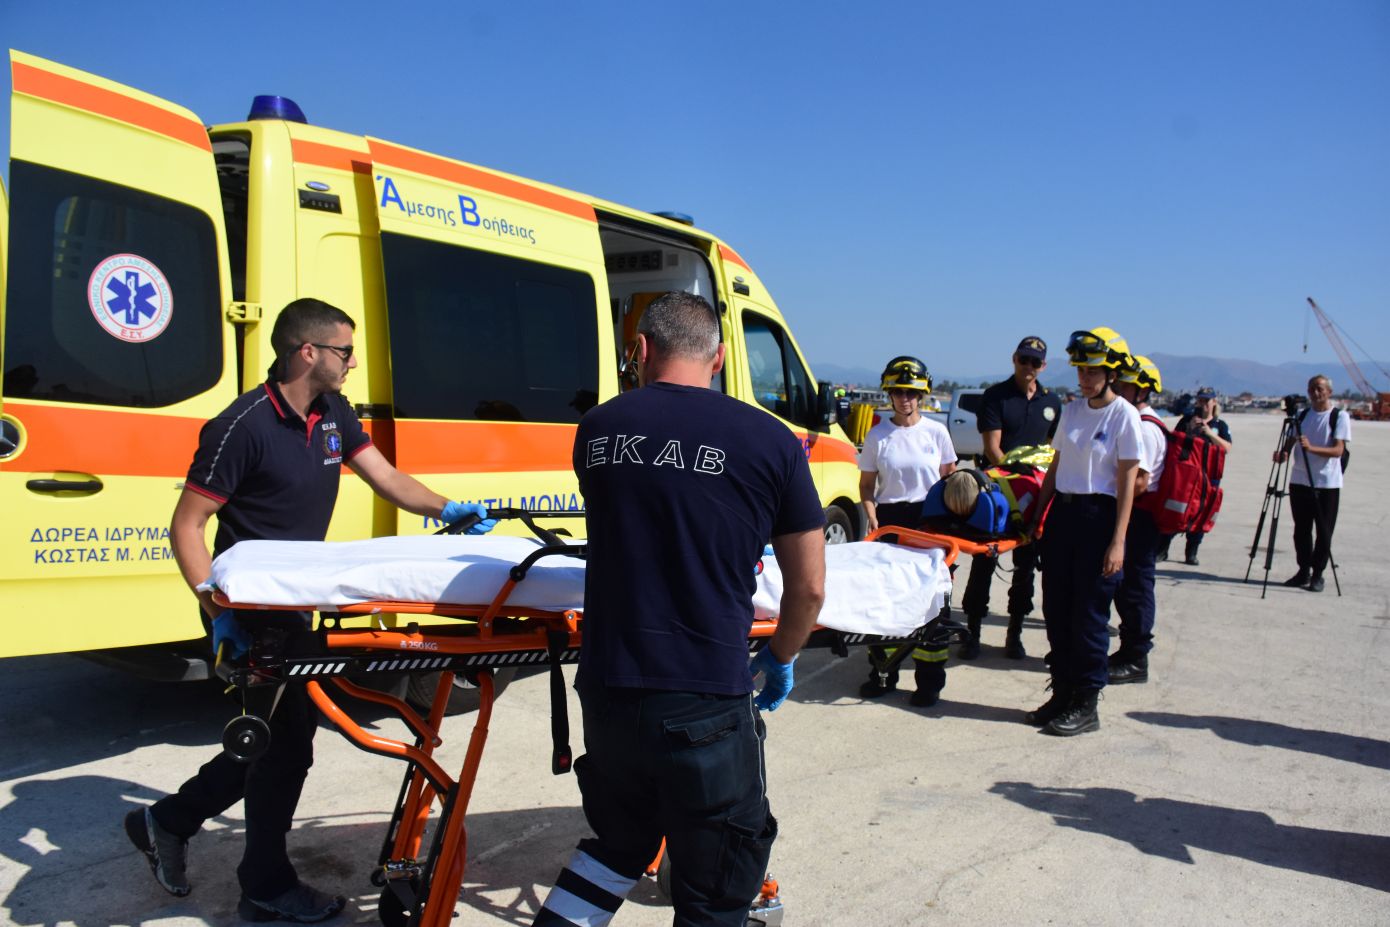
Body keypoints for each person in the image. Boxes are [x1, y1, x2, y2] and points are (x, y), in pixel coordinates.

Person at [124, 298, 494, 923]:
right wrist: (216, 611)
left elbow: (386, 477)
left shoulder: (333, 413)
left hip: (296, 605)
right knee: (284, 749)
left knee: (271, 741)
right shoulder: (241, 426)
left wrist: (445, 508)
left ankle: (169, 820)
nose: (353, 363)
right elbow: (187, 525)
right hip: (247, 612)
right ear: (307, 352)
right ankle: (263, 885)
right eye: (345, 351)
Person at [532, 292, 826, 927]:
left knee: (618, 848)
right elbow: (808, 589)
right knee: (716, 893)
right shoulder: (770, 440)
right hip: (704, 700)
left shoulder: (598, 429)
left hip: (608, 695)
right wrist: (780, 657)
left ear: (639, 350)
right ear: (718, 359)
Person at [1025, 328, 1142, 736]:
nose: (1085, 378)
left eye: (1092, 371)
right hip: (1064, 516)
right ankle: (1062, 692)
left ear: (1111, 373)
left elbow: (1127, 482)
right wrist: (1037, 515)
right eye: (1080, 370)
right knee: (1057, 610)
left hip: (1099, 518)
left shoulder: (1124, 415)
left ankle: (1087, 702)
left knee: (1089, 616)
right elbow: (1056, 467)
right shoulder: (1072, 411)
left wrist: (1118, 541)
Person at [856, 356, 958, 706]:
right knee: (887, 600)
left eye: (911, 393)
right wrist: (872, 516)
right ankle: (883, 675)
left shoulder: (937, 433)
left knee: (933, 602)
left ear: (922, 394)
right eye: (898, 392)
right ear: (889, 394)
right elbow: (867, 486)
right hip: (890, 522)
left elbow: (951, 483)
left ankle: (929, 683)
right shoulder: (878, 435)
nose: (905, 399)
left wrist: (950, 528)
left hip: (930, 523)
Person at [960, 335, 1062, 660]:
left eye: (1035, 361)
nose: (1028, 366)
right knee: (983, 564)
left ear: (1043, 366)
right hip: (998, 496)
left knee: (1026, 569)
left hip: (1033, 497)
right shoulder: (996, 396)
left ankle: (1014, 634)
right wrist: (1015, 482)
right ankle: (972, 633)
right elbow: (992, 448)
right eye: (1023, 359)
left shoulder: (1052, 402)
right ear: (1014, 359)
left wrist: (1037, 490)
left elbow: (1050, 450)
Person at [1109, 354, 1165, 685]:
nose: (1118, 388)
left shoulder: (1145, 427)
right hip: (1137, 514)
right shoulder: (1141, 421)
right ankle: (1128, 650)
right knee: (1128, 585)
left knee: (1136, 587)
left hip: (1140, 517)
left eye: (1125, 385)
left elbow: (1140, 482)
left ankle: (1136, 657)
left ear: (1142, 390)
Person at [1276, 374, 1350, 593]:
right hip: (1300, 480)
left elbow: (1338, 450)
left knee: (1324, 532)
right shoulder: (1302, 415)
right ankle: (1303, 571)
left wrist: (1311, 449)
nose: (1315, 393)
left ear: (1329, 392)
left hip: (1327, 483)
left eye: (1319, 388)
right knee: (1301, 530)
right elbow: (1289, 443)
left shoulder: (1339, 416)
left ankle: (1318, 574)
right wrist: (1283, 454)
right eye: (1311, 389)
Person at [1158, 386, 1233, 565]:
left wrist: (1209, 433)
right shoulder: (1186, 420)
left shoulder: (1220, 425)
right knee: (1175, 510)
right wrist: (1189, 431)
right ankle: (1163, 549)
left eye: (1206, 401)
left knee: (1202, 512)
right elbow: (1173, 441)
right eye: (1200, 400)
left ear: (1214, 402)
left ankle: (1191, 551)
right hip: (1187, 474)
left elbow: (1227, 447)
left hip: (1209, 475)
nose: (1203, 404)